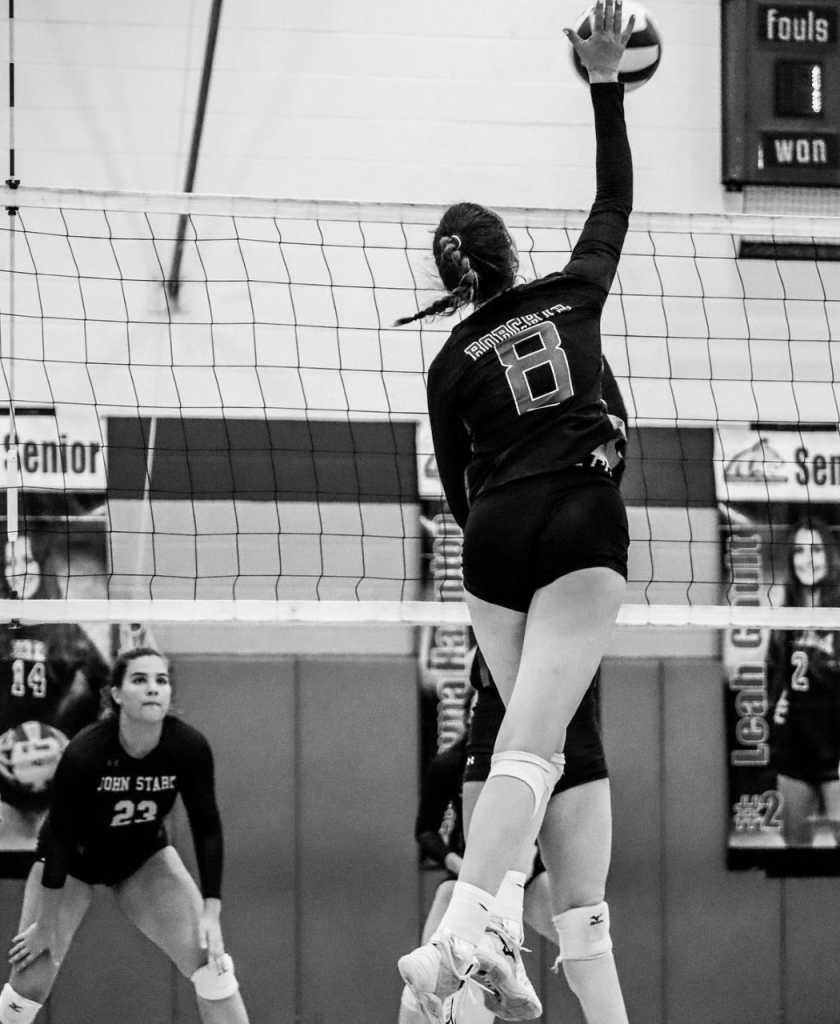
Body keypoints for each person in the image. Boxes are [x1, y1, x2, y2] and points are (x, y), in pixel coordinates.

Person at [396, 4, 635, 1020]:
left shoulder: (450, 358)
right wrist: (605, 83)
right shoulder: (572, 294)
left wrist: (504, 511)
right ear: (507, 254)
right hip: (579, 515)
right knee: (537, 744)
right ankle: (465, 937)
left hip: (494, 537)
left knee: (524, 745)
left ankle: (481, 935)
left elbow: (458, 491)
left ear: (450, 277)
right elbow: (614, 197)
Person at [0, 647, 250, 1024]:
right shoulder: (86, 753)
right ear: (116, 694)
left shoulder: (188, 747)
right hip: (73, 863)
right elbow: (59, 839)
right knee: (28, 982)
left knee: (213, 964)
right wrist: (46, 924)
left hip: (141, 858)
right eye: (139, 679)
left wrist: (211, 910)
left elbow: (207, 826)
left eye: (160, 680)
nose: (152, 688)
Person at [0, 535, 108, 850]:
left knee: (56, 848)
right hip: (3, 771)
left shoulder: (63, 628)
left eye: (28, 561)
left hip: (55, 763)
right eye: (11, 563)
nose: (20, 571)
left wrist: (76, 743)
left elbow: (106, 685)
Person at [767, 518, 840, 848]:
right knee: (796, 853)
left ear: (830, 556)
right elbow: (775, 677)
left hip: (835, 748)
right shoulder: (784, 616)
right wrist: (777, 703)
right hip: (795, 749)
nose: (807, 559)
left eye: (816, 550)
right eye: (799, 550)